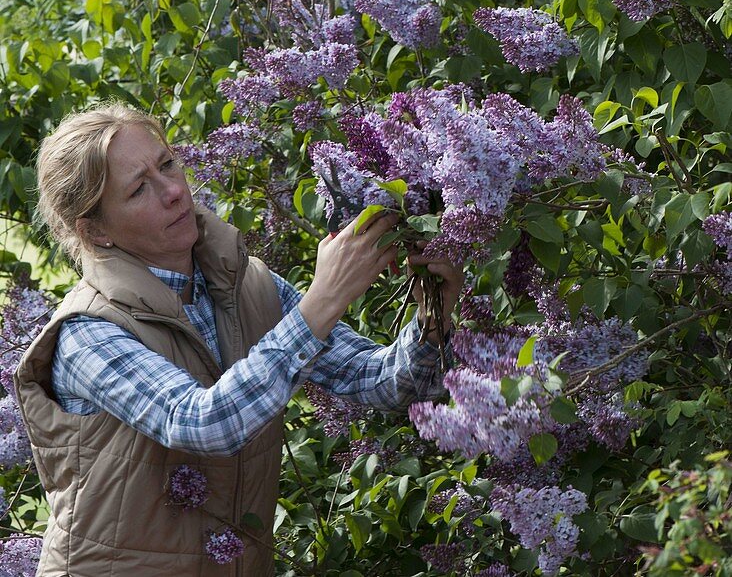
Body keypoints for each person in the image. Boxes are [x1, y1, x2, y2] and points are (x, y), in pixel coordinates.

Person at [15, 103, 462, 577]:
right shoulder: (87, 333)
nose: (172, 192)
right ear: (95, 231)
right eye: (139, 188)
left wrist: (433, 315)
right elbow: (203, 425)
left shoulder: (249, 287)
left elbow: (384, 383)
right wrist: (324, 300)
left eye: (167, 165)